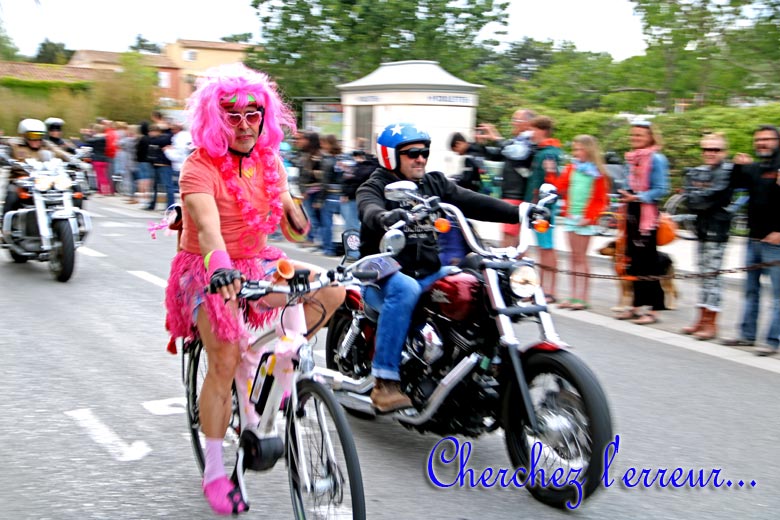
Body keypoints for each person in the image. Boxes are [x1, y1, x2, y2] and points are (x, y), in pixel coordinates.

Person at [163, 63, 345, 515]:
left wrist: (291, 201)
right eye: (232, 116)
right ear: (215, 118)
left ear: (265, 117)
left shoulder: (270, 163)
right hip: (206, 267)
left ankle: (281, 372)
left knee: (333, 292)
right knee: (225, 355)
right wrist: (222, 270)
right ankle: (214, 471)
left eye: (253, 115)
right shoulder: (198, 166)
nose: (244, 125)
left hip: (260, 260)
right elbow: (206, 230)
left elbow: (298, 231)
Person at [357, 122, 521, 412]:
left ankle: (487, 363)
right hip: (382, 273)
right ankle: (385, 380)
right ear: (390, 156)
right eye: (411, 153)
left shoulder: (433, 183)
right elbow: (368, 208)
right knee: (405, 288)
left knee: (476, 282)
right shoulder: (376, 185)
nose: (420, 158)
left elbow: (471, 201)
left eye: (424, 152)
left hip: (428, 272)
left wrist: (520, 212)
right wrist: (384, 217)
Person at [720, 125, 780, 356]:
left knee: (777, 297)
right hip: (752, 239)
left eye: (767, 139)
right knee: (750, 291)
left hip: (775, 242)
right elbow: (733, 187)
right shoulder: (755, 168)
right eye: (758, 140)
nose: (762, 143)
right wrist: (737, 167)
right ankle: (747, 335)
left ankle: (773, 341)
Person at [614, 120, 670, 325]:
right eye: (633, 135)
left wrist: (637, 197)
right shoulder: (632, 158)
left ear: (650, 137)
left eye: (640, 135)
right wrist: (625, 196)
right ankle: (636, 305)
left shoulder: (657, 159)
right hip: (631, 211)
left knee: (649, 262)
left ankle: (654, 309)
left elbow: (661, 189)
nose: (635, 138)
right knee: (633, 260)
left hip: (647, 214)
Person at [680, 133, 734, 340]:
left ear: (724, 151)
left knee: (713, 276)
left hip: (718, 228)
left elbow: (714, 196)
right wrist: (700, 197)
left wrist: (700, 196)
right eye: (706, 149)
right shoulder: (699, 171)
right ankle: (700, 318)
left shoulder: (727, 171)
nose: (710, 153)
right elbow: (689, 198)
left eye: (715, 149)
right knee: (702, 274)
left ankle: (712, 323)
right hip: (701, 227)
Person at [555, 135, 609, 310]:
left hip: (585, 219)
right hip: (571, 216)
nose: (576, 153)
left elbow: (601, 200)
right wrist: (550, 173)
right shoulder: (571, 168)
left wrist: (591, 217)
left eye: (580, 149)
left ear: (589, 150)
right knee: (572, 257)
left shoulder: (597, 173)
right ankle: (572, 295)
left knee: (581, 257)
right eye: (575, 149)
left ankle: (582, 297)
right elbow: (560, 187)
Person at [477, 108, 537, 247]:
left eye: (516, 120)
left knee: (509, 242)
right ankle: (521, 268)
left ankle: (510, 268)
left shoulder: (527, 143)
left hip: (515, 195)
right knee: (515, 243)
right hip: (511, 195)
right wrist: (481, 145)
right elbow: (498, 154)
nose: (513, 123)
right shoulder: (517, 142)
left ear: (528, 124)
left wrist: (496, 138)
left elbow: (515, 153)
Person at [2, 118, 72, 222]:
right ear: (24, 135)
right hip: (21, 180)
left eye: (40, 136)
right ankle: (4, 222)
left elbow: (59, 152)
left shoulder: (46, 145)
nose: (37, 140)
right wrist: (5, 159)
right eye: (33, 136)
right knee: (12, 194)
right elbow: (4, 152)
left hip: (44, 180)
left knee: (70, 190)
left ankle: (72, 219)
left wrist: (73, 160)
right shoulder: (14, 144)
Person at [528, 116, 564, 302]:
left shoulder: (548, 154)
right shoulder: (544, 151)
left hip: (543, 208)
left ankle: (549, 290)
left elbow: (551, 180)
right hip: (540, 207)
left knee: (547, 249)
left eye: (534, 130)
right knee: (542, 249)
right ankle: (541, 287)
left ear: (542, 131)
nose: (531, 134)